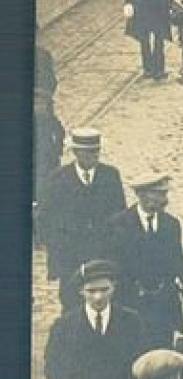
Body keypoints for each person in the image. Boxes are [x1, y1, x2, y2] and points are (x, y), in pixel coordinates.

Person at [37, 127, 128, 306]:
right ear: (76, 153)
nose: (92, 156)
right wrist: (57, 247)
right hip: (70, 256)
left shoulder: (110, 175)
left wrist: (114, 247)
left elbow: (120, 214)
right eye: (86, 152)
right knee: (71, 303)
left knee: (102, 301)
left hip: (102, 253)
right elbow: (45, 218)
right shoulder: (58, 178)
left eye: (95, 152)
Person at [100, 174, 183, 352]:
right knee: (133, 350)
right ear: (141, 195)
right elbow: (111, 266)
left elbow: (178, 260)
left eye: (165, 194)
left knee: (163, 351)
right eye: (159, 194)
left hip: (164, 301)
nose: (165, 200)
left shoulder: (171, 224)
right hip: (132, 302)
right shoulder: (118, 224)